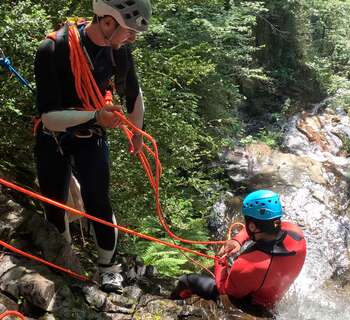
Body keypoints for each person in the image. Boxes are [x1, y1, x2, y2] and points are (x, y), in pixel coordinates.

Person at [33, 0, 152, 293]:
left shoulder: (119, 52)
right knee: (54, 202)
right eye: (128, 30)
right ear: (108, 22)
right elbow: (49, 118)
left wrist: (138, 131)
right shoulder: (52, 49)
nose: (132, 37)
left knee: (98, 199)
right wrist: (95, 115)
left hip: (91, 134)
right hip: (55, 134)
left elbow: (134, 95)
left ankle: (108, 269)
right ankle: (64, 259)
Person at [171, 190, 307, 312]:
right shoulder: (296, 234)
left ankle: (171, 306)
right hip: (272, 298)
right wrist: (238, 240)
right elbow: (264, 228)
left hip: (250, 305)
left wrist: (220, 260)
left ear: (252, 226)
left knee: (186, 280)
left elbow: (224, 290)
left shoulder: (248, 265)